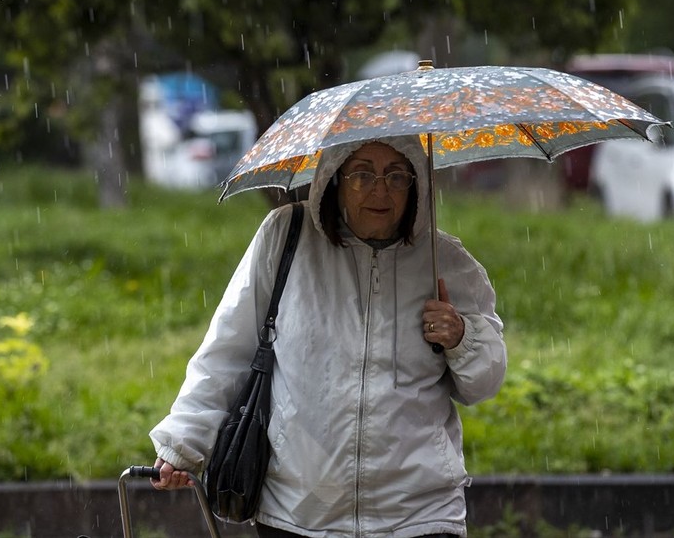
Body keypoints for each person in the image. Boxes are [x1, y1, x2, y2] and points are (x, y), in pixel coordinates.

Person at [149, 134, 507, 537]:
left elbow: (484, 384)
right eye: (362, 173)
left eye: (396, 176)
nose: (379, 189)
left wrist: (460, 337)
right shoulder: (286, 236)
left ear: (417, 185)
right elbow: (227, 350)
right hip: (298, 512)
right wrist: (182, 444)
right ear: (334, 179)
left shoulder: (447, 262)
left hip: (419, 515)